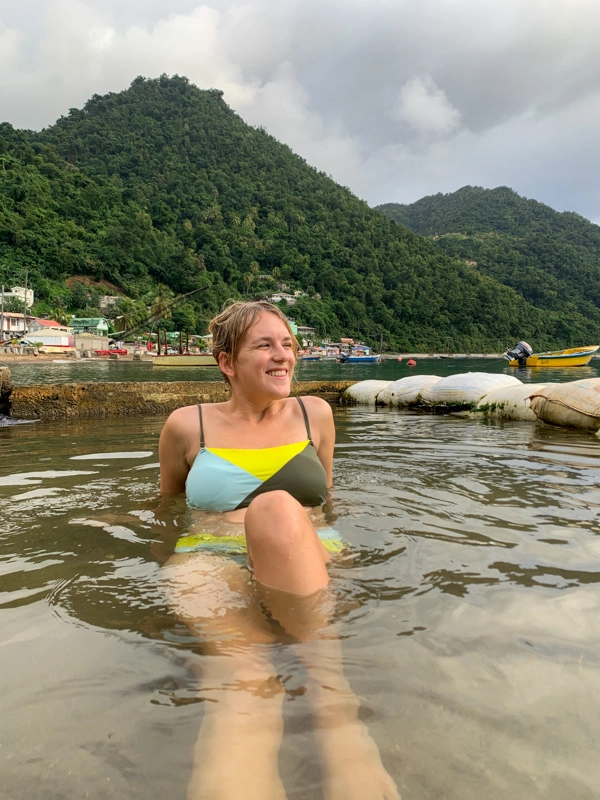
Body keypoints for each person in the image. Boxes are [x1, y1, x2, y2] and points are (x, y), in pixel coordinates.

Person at [158, 300, 400, 800]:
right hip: (210, 556)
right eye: (265, 345)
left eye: (288, 344)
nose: (283, 355)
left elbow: (326, 502)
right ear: (227, 362)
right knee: (246, 677)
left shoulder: (317, 414)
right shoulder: (187, 425)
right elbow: (167, 511)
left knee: (278, 510)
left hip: (304, 552)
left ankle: (338, 719)